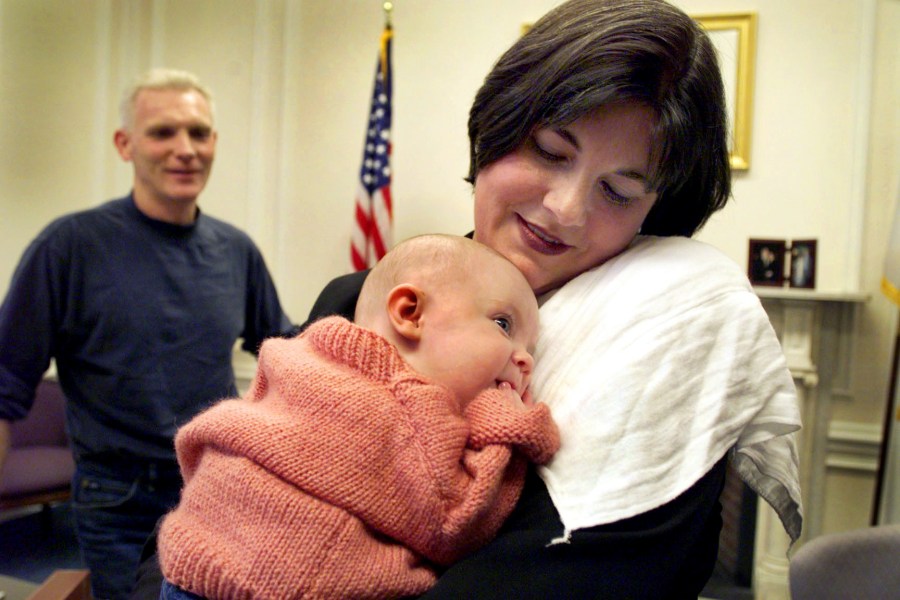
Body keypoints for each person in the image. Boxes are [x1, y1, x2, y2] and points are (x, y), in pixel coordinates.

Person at [133, 1, 803, 597]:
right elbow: (229, 476)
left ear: (656, 212)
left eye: (619, 192)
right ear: (498, 125)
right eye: (549, 150)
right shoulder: (357, 299)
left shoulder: (664, 337)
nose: (565, 209)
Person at [0, 68, 296, 600]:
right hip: (116, 500)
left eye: (199, 133)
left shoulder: (236, 250)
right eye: (163, 132)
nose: (185, 149)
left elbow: (285, 353)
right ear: (125, 144)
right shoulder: (69, 246)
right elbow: (4, 384)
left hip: (215, 485)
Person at [156, 234, 559, 599]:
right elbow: (456, 520)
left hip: (186, 567)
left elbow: (209, 443)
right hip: (275, 587)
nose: (524, 359)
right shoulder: (410, 405)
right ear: (409, 312)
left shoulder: (296, 355)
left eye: (531, 348)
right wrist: (506, 423)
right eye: (503, 325)